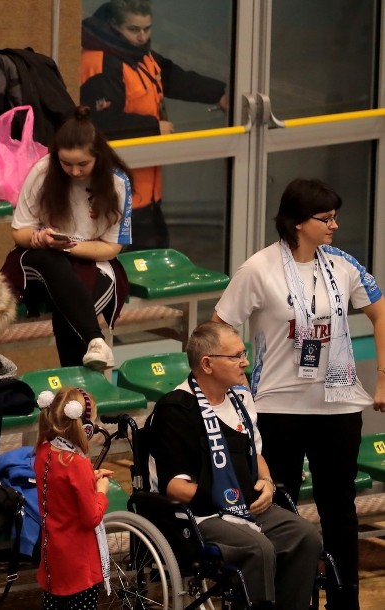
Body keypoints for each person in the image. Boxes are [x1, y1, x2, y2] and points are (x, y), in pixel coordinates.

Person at [213, 178, 385, 609]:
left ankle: (345, 601)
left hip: (338, 406)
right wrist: (234, 374)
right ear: (295, 222)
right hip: (277, 409)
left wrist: (383, 377)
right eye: (324, 219)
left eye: (334, 217)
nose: (334, 226)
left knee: (339, 511)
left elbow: (381, 314)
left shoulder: (342, 264)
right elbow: (217, 327)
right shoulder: (258, 269)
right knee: (282, 512)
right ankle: (292, 599)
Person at [149, 321, 322, 609]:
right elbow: (174, 487)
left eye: (244, 353)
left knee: (305, 537)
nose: (246, 362)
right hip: (201, 516)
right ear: (207, 364)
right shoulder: (176, 410)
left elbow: (257, 454)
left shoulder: (241, 398)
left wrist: (266, 483)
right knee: (258, 547)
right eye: (236, 356)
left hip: (245, 507)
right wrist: (225, 502)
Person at [80, 0, 228, 251]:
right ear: (114, 26)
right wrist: (152, 128)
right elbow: (99, 124)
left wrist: (219, 93)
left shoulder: (139, 55)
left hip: (147, 193)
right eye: (134, 29)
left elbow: (172, 77)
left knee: (155, 260)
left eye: (147, 29)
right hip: (115, 195)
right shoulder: (101, 64)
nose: (142, 37)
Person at [2, 105, 132, 371]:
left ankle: (75, 401)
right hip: (40, 260)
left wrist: (70, 247)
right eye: (66, 163)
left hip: (91, 262)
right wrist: (41, 239)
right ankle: (95, 343)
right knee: (53, 263)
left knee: (69, 311)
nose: (74, 171)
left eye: (82, 164)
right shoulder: (42, 170)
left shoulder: (117, 182)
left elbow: (111, 248)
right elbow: (20, 232)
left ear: (98, 157)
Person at [34, 386, 114, 609]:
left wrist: (91, 477)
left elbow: (60, 487)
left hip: (54, 561)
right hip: (79, 567)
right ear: (85, 427)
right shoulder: (77, 464)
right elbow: (91, 517)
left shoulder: (44, 451)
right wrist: (101, 490)